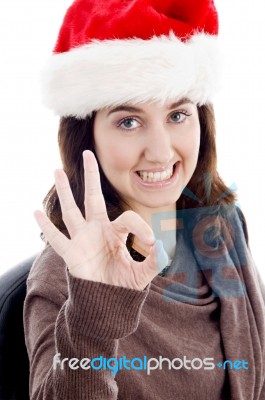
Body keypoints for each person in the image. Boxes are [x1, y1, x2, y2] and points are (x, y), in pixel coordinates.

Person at [23, 0, 265, 399]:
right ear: (88, 138)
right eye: (128, 121)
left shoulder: (221, 226)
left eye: (178, 115)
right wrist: (93, 308)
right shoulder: (65, 276)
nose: (160, 151)